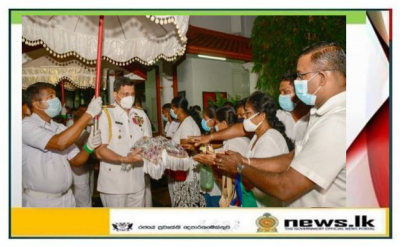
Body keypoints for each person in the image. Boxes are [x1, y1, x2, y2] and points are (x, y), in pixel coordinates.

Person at [206, 42, 346, 207]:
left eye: (301, 76)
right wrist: (245, 161)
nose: (297, 81)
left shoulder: (336, 123)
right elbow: (292, 158)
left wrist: (240, 166)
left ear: (322, 78)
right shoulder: (319, 114)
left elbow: (286, 187)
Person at [22, 82, 103, 207]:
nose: (56, 100)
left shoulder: (59, 127)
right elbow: (59, 143)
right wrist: (89, 114)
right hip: (41, 202)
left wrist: (89, 147)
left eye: (55, 96)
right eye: (50, 97)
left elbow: (76, 161)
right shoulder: (26, 126)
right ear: (37, 104)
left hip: (67, 198)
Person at [96, 77, 152, 207]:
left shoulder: (140, 114)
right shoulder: (106, 114)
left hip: (137, 179)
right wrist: (123, 159)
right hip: (115, 183)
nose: (129, 98)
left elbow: (148, 142)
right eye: (125, 94)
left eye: (132, 94)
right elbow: (99, 151)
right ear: (115, 95)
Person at [193, 106, 249, 207]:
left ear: (223, 123)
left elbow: (228, 179)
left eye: (217, 123)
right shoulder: (240, 138)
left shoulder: (231, 144)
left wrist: (212, 164)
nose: (215, 126)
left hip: (235, 195)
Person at [170, 96, 205, 207]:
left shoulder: (187, 124)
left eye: (172, 108)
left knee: (188, 202)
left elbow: (186, 149)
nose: (172, 111)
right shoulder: (184, 122)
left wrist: (168, 150)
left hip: (188, 172)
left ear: (178, 109)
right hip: (183, 169)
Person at [277, 71, 311, 142]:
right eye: (280, 92)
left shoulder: (314, 119)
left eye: (286, 92)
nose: (281, 96)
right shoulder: (277, 117)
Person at [70, 105, 93, 207]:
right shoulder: (86, 133)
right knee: (84, 203)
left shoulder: (67, 131)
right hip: (80, 169)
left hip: (74, 171)